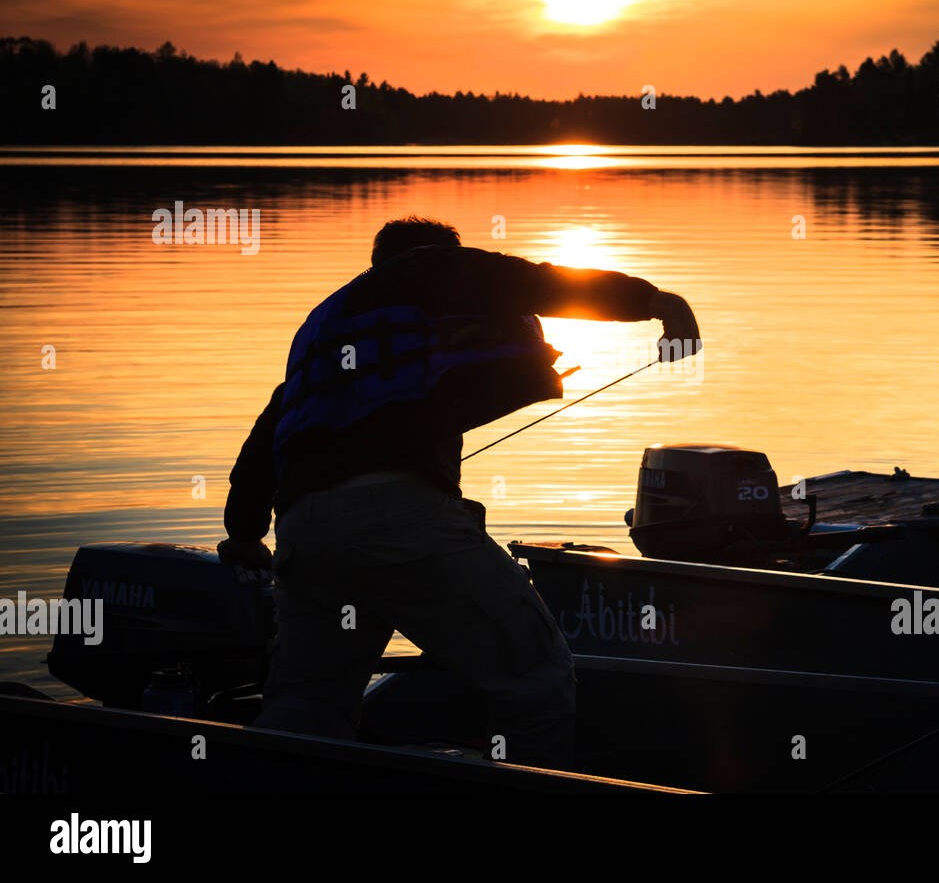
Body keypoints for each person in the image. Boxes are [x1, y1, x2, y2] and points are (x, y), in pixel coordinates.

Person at [218, 216, 700, 769]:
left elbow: (266, 440)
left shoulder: (325, 330)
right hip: (397, 523)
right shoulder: (433, 268)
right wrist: (658, 302)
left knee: (306, 711)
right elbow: (541, 282)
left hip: (304, 535)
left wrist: (245, 533)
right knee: (536, 678)